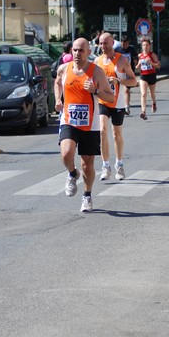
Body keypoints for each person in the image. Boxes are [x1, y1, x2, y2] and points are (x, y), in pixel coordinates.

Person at [54, 37, 114, 212]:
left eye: (81, 50)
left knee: (87, 165)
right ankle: (72, 173)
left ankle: (87, 195)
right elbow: (58, 83)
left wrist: (95, 90)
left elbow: (110, 97)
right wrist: (58, 99)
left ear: (88, 52)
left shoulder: (97, 72)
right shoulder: (63, 69)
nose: (77, 53)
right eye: (74, 50)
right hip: (69, 120)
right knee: (66, 154)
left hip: (91, 124)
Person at [94, 32, 137, 181]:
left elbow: (133, 81)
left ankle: (119, 164)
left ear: (112, 43)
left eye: (105, 43)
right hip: (102, 101)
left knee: (116, 134)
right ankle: (105, 165)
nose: (102, 46)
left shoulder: (122, 60)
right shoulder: (97, 62)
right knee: (102, 131)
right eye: (100, 43)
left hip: (117, 103)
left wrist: (118, 80)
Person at [135, 38, 161, 119]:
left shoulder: (152, 55)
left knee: (152, 93)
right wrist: (136, 66)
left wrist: (151, 63)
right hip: (143, 75)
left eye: (146, 45)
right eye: (143, 45)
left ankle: (154, 103)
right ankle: (143, 112)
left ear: (149, 46)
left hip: (151, 75)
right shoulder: (140, 55)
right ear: (141, 46)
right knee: (143, 94)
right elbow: (138, 66)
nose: (145, 47)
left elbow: (158, 66)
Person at [116, 35, 138, 115]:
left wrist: (135, 65)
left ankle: (126, 107)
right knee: (120, 90)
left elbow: (136, 58)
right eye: (123, 43)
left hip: (129, 71)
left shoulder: (132, 49)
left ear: (128, 43)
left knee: (126, 90)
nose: (124, 45)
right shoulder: (117, 50)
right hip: (120, 72)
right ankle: (120, 105)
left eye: (125, 44)